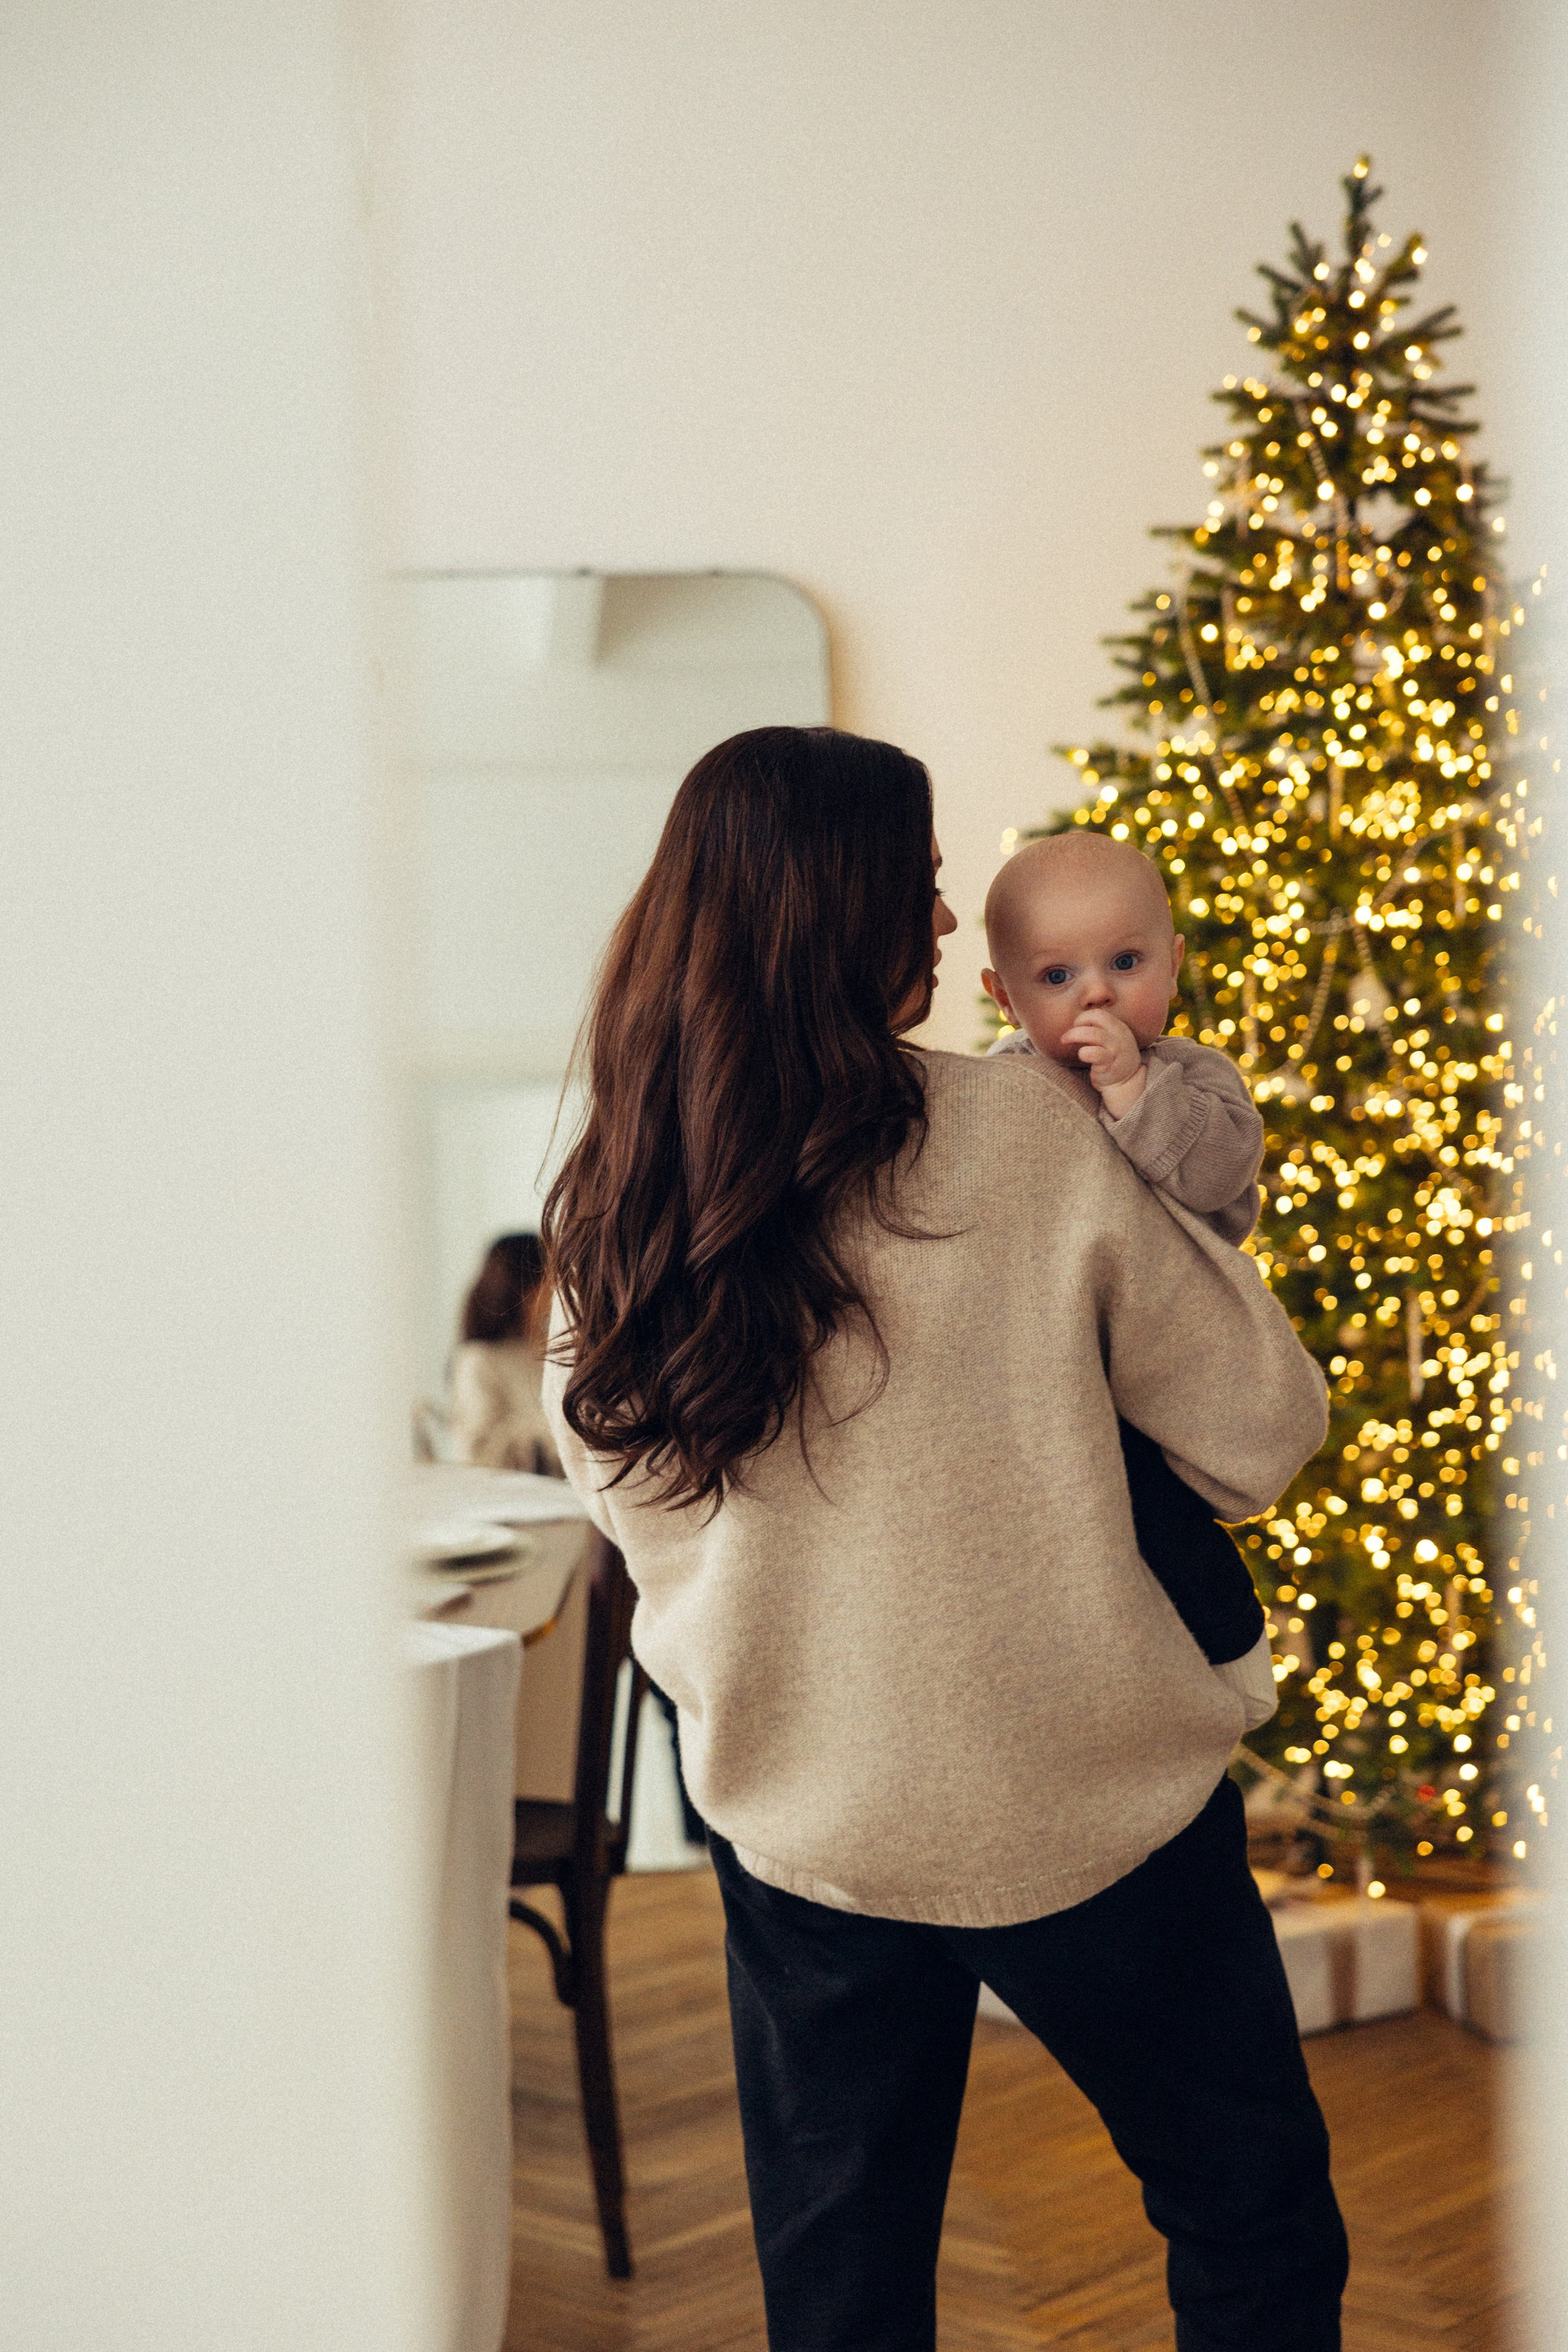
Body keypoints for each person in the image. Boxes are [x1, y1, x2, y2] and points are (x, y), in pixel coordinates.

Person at [541, 725, 1348, 2352]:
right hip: (1092, 1791)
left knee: (843, 2298)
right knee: (1251, 2225)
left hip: (813, 1819)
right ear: (834, 912)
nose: (942, 933)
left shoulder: (620, 1196)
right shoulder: (1026, 1133)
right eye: (914, 892)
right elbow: (1265, 1436)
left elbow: (626, 1505)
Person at [982, 828, 1276, 1703]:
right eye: (1057, 977)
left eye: (1126, 961)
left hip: (1169, 1351)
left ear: (1175, 964)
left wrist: (1135, 1098)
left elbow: (1220, 1176)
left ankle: (1231, 1644)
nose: (1098, 994)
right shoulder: (996, 1091)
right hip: (1056, 1359)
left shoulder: (1194, 1078)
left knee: (1166, 1517)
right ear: (1004, 998)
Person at [447, 1231, 562, 1475]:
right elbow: (479, 1452)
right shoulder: (478, 1360)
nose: (555, 1294)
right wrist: (559, 1430)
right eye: (549, 1280)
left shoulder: (550, 1352)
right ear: (525, 1287)